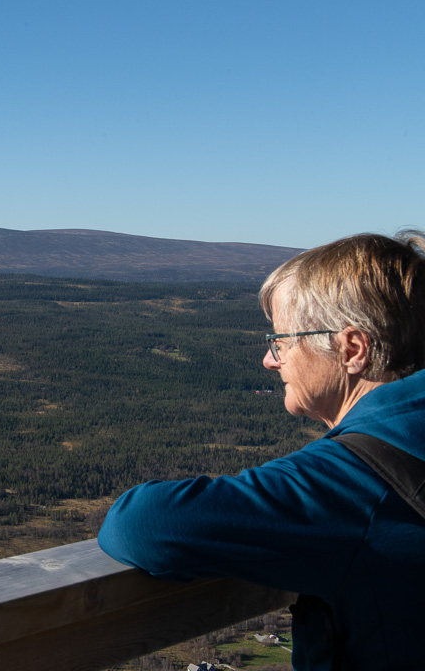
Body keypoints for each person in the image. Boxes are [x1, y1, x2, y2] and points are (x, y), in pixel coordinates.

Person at [97, 230, 425, 670]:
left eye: (282, 341)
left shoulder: (353, 484)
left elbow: (141, 525)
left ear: (352, 349)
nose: (271, 360)